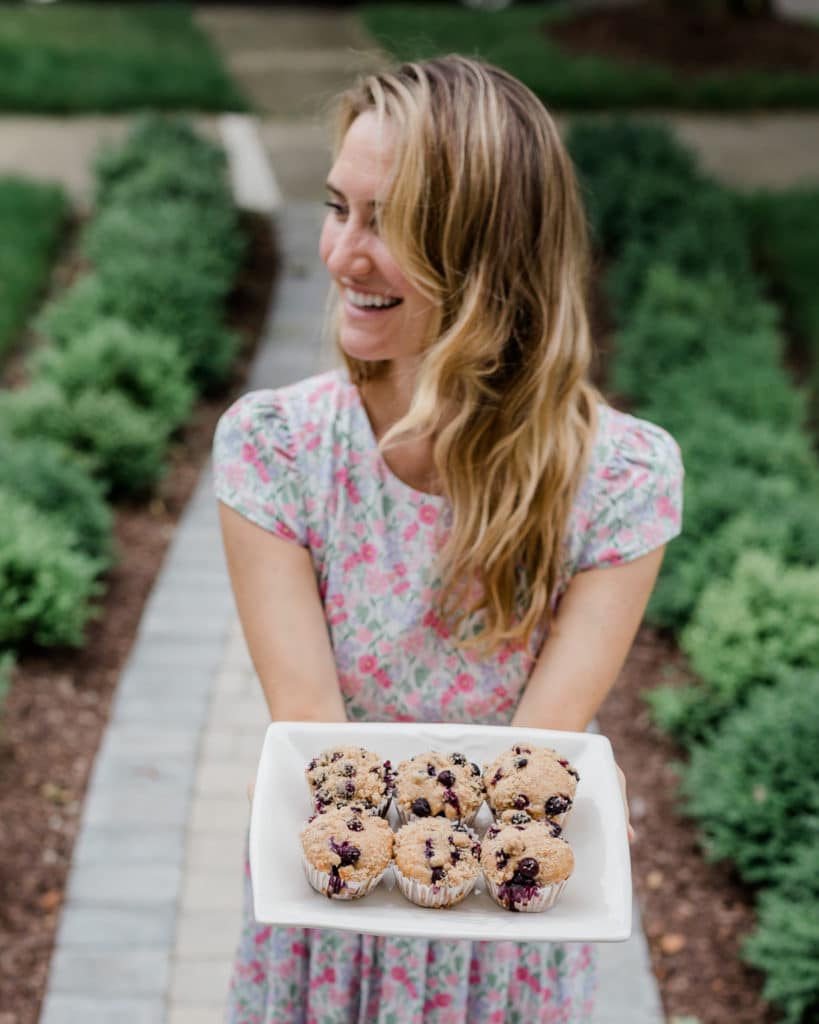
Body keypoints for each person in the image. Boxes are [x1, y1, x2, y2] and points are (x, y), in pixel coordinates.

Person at [213, 55, 683, 1024]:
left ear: (488, 254)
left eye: (389, 223)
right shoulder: (276, 448)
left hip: (501, 943)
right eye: (338, 208)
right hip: (331, 927)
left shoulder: (621, 478)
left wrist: (567, 800)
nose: (342, 256)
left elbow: (537, 754)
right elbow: (314, 735)